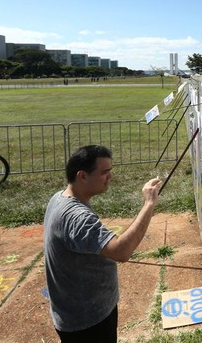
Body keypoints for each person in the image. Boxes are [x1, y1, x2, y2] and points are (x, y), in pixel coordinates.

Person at [43, 145, 163, 342]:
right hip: (87, 322)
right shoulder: (76, 217)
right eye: (105, 172)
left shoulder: (60, 197)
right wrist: (149, 204)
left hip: (79, 314)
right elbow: (121, 251)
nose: (110, 177)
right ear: (82, 176)